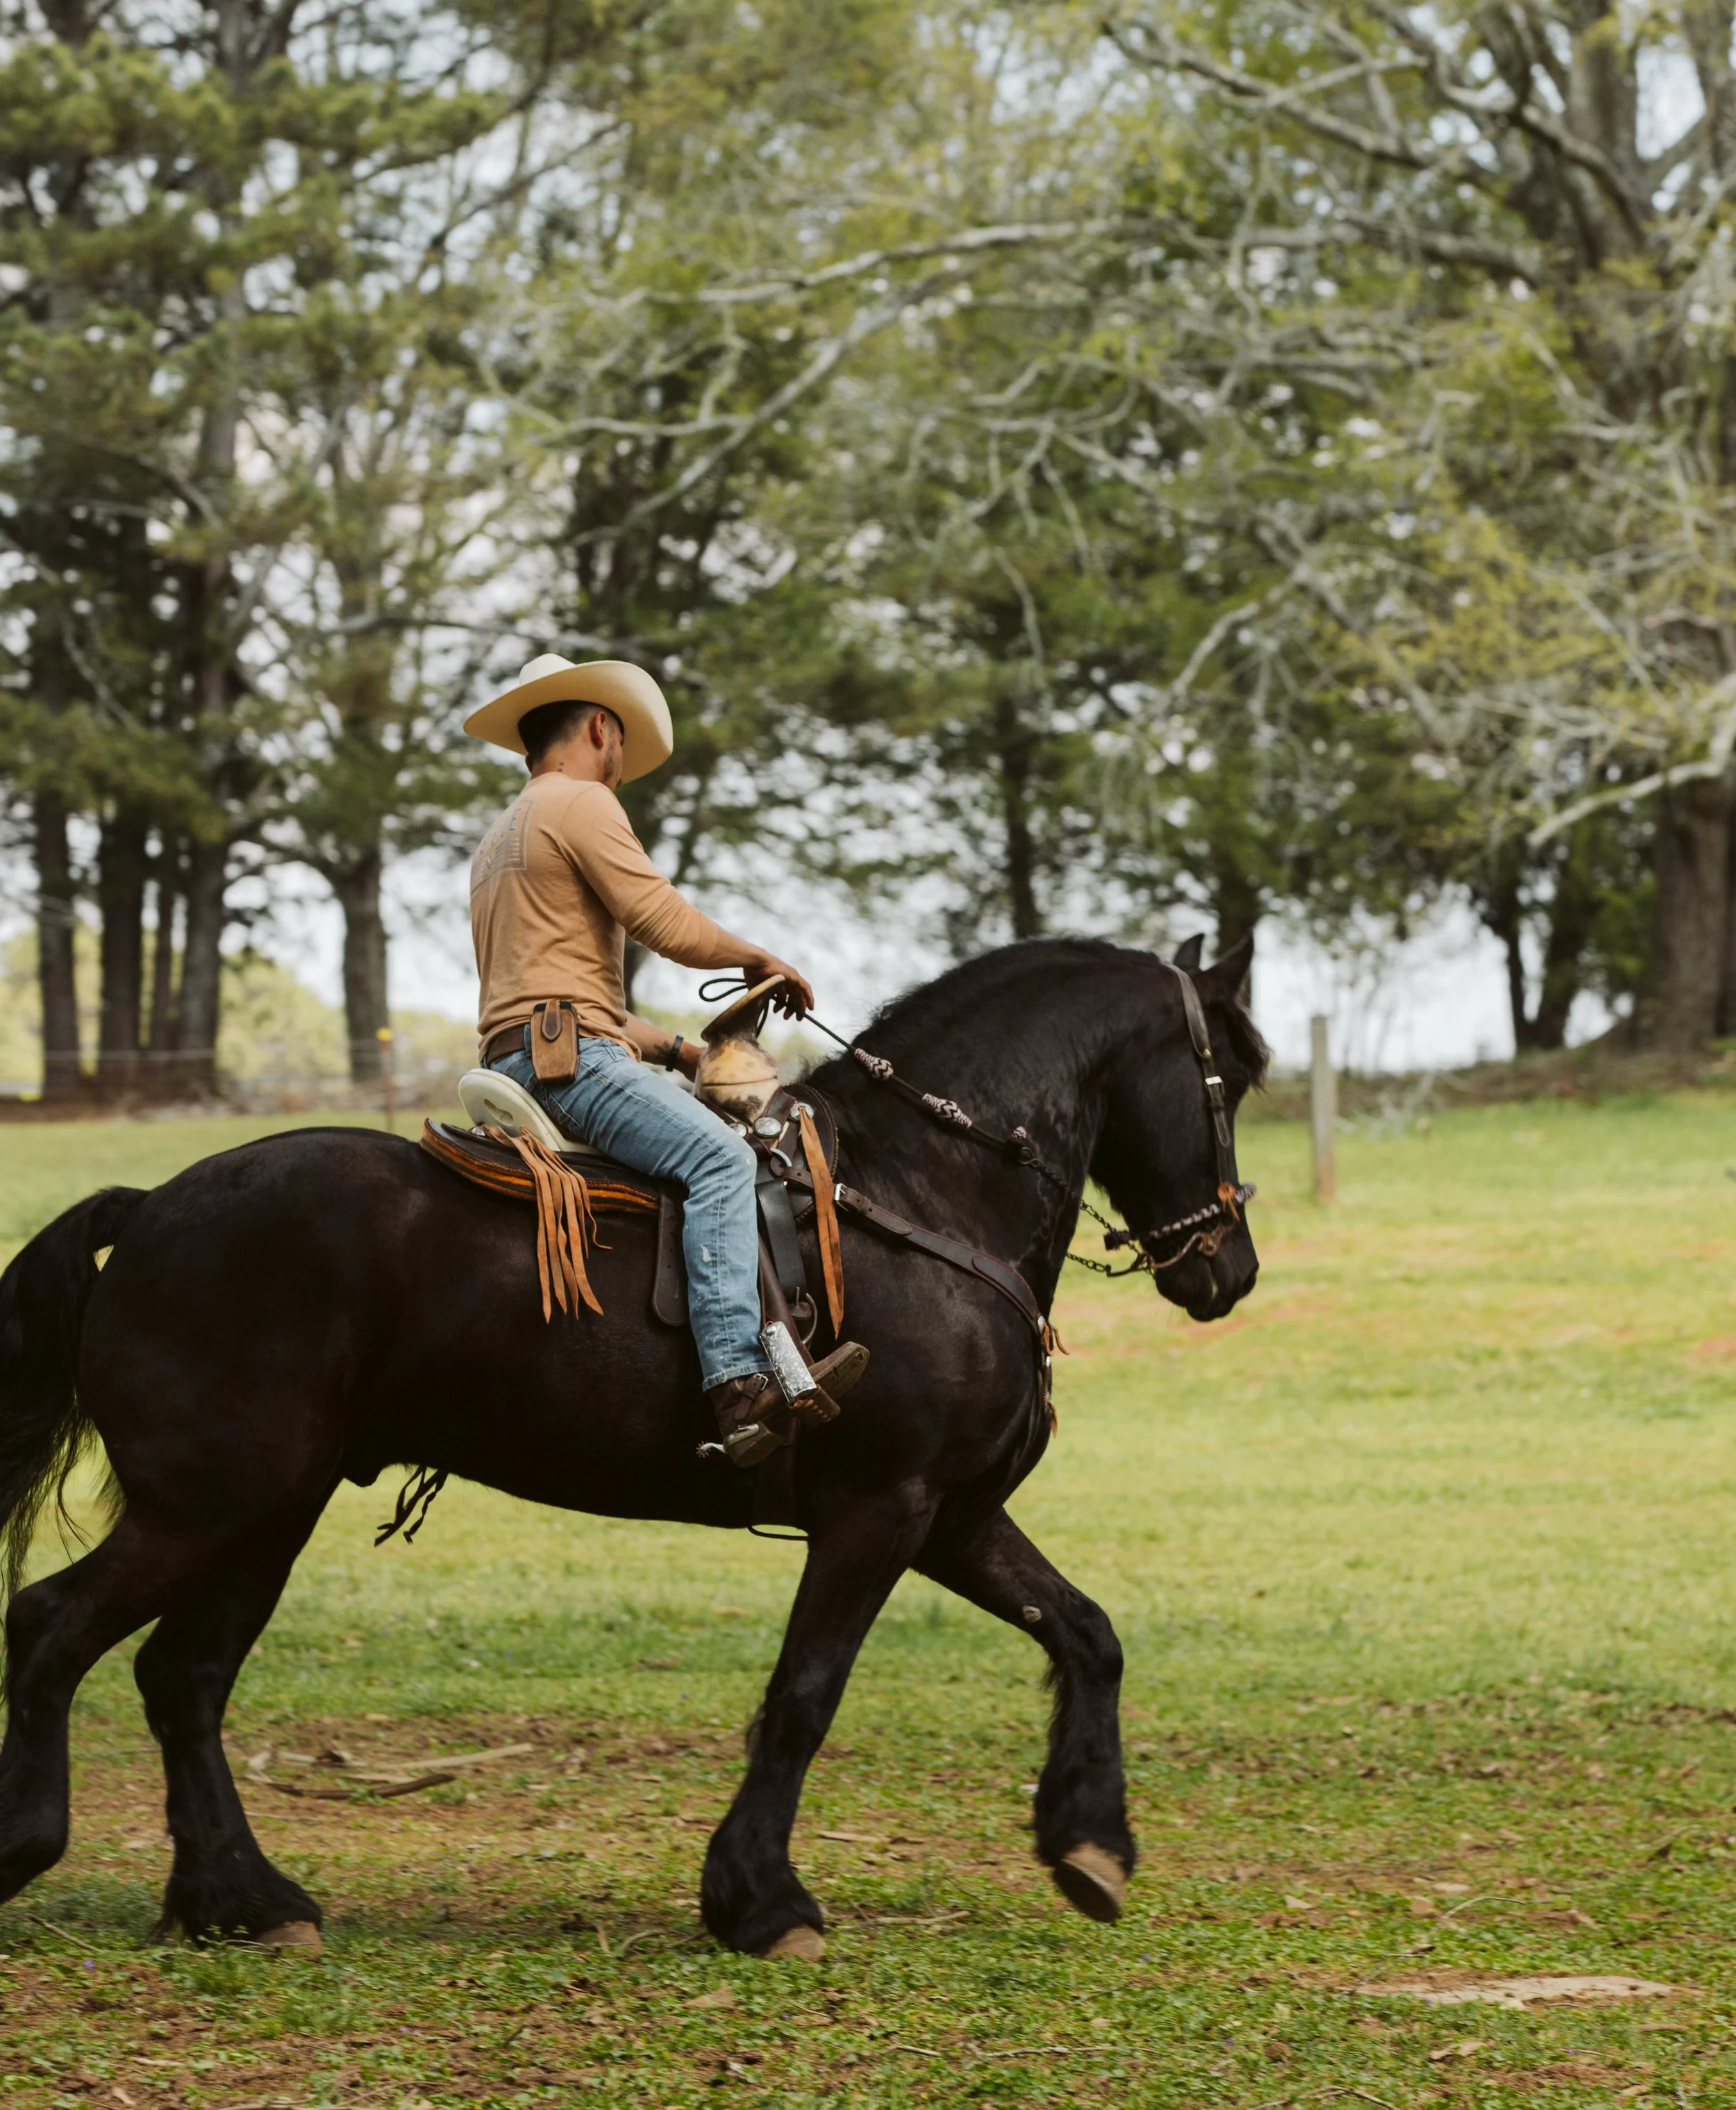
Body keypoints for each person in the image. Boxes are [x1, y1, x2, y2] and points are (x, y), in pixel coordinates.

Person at [464, 652, 864, 1468]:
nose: (620, 765)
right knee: (718, 1158)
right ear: (601, 728)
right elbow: (662, 919)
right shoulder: (582, 801)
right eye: (620, 745)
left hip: (523, 1055)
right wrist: (759, 958)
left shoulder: (498, 838)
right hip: (571, 1065)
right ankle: (739, 1383)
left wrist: (684, 1051)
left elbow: (571, 1002)